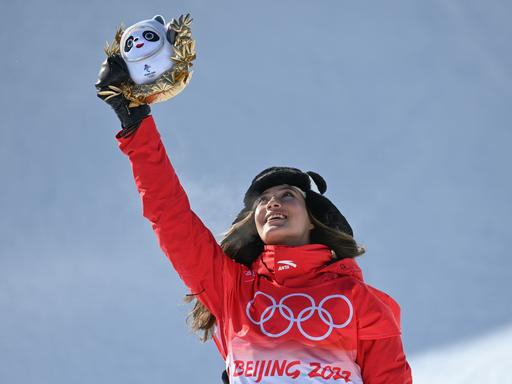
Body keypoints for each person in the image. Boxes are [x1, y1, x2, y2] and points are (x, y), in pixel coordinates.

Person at [96, 55, 413, 384]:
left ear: (314, 220)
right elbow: (168, 213)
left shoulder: (359, 300)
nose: (272, 202)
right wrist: (135, 123)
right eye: (263, 201)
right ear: (256, 225)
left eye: (287, 195)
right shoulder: (233, 289)